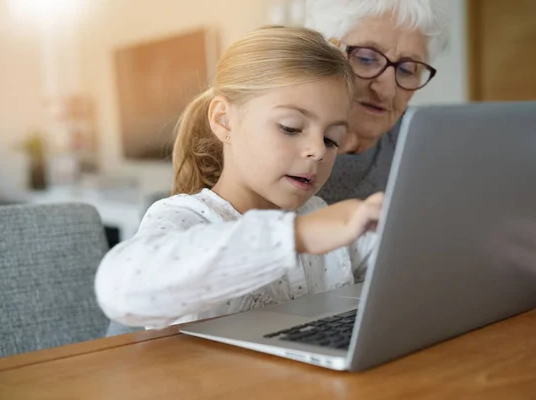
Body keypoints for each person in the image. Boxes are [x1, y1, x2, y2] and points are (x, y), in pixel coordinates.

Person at [95, 25, 388, 328]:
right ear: (224, 120)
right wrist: (297, 235)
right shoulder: (186, 218)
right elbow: (118, 288)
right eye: (290, 127)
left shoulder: (323, 217)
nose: (317, 150)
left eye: (331, 139)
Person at [304, 0, 536, 312]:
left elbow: (531, 216)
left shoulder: (426, 141)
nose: (386, 88)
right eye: (367, 58)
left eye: (408, 68)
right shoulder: (282, 152)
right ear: (324, 51)